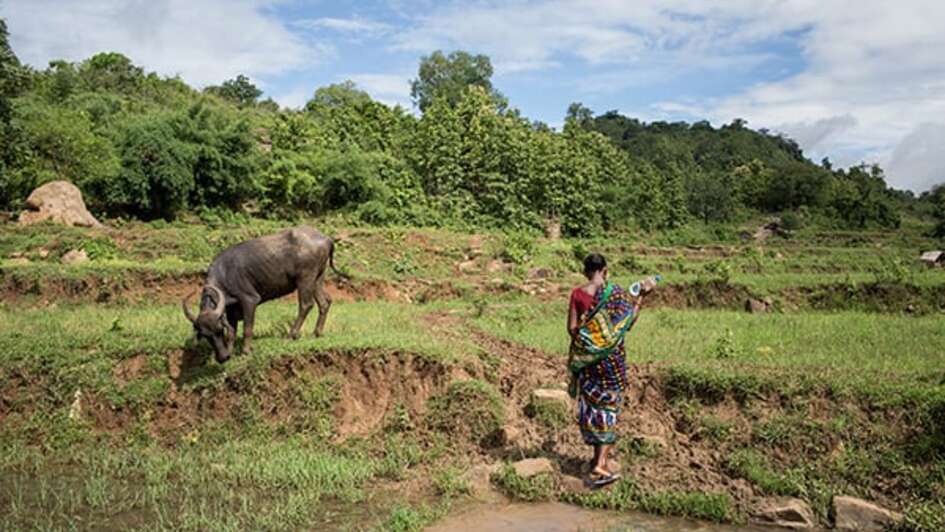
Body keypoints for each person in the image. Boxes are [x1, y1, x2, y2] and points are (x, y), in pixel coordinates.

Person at [567, 253, 655, 487]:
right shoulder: (615, 294)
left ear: (586, 272)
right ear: (605, 271)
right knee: (609, 407)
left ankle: (598, 462)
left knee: (594, 407)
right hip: (612, 362)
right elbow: (628, 323)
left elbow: (572, 329)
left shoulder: (577, 294)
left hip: (588, 362)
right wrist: (640, 298)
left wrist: (592, 341)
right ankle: (600, 464)